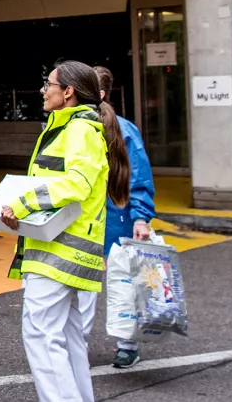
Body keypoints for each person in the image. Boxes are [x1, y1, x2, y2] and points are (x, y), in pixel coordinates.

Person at [0, 60, 129, 402]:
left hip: (60, 253)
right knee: (69, 339)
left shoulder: (79, 130)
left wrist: (23, 203)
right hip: (63, 250)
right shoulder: (72, 128)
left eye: (49, 84)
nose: (44, 90)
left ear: (68, 92)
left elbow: (77, 183)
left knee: (41, 335)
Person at [94, 66, 156, 369]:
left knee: (125, 283)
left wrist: (140, 218)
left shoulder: (122, 130)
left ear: (100, 94)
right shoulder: (76, 128)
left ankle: (127, 343)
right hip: (97, 219)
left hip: (118, 220)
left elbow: (138, 175)